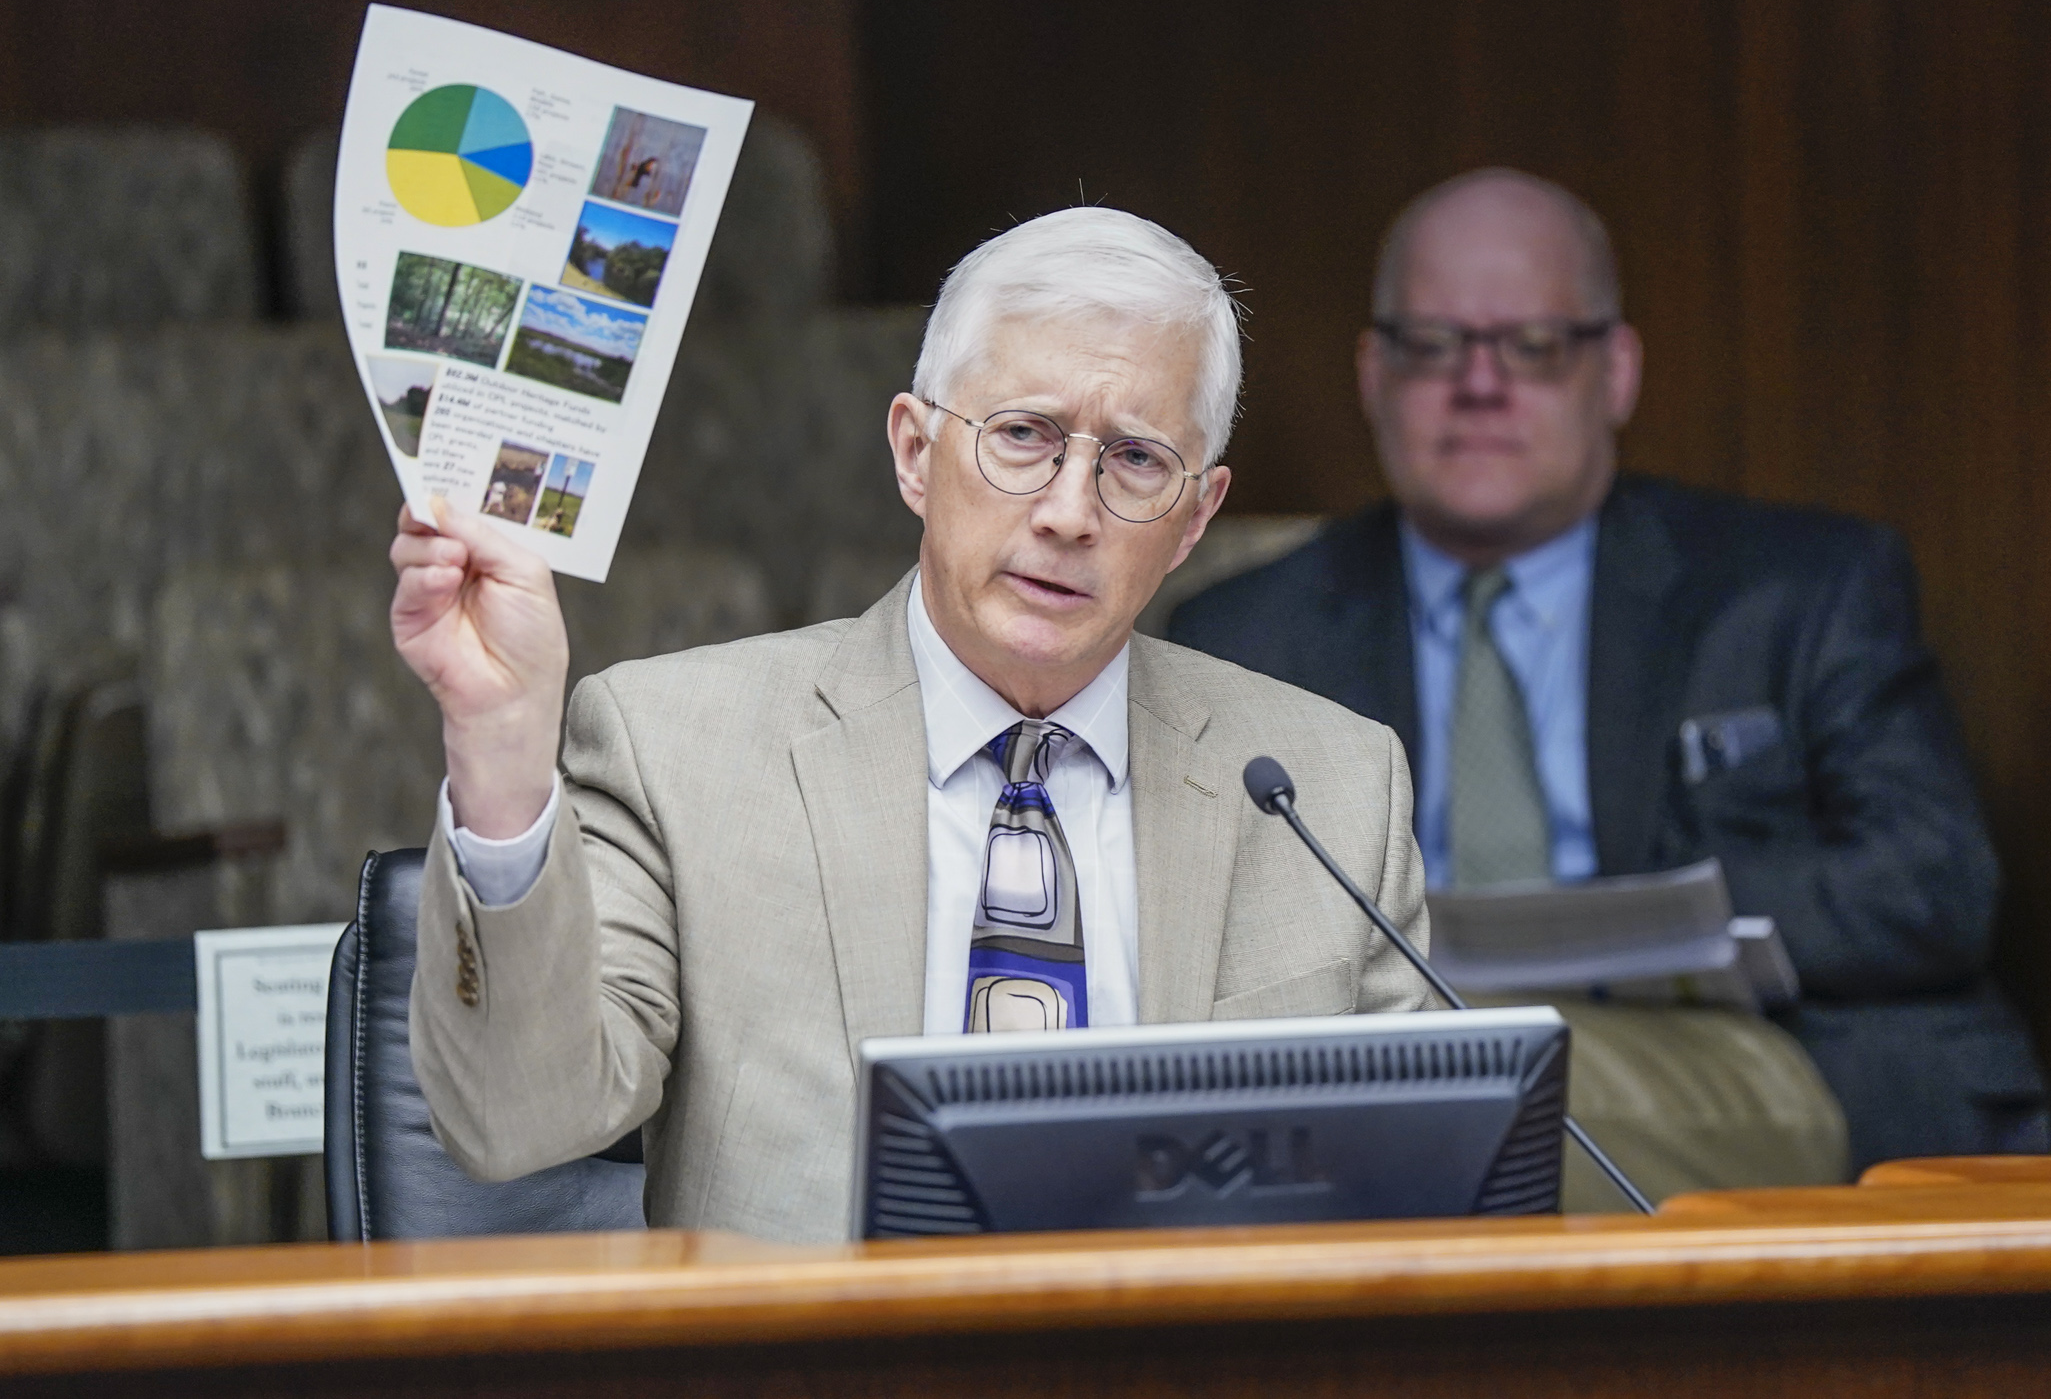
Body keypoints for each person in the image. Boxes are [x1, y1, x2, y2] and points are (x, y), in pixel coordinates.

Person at [391, 208, 1434, 1243]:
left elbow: (1421, 1205)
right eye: (1023, 435)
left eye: (1134, 461)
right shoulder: (677, 747)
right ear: (914, 452)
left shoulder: (1329, 787)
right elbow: (514, 1123)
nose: (1070, 511)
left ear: (1195, 519)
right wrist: (501, 748)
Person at [1170, 169, 2051, 1174]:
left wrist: (1656, 926)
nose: (1481, 383)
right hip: (1388, 1039)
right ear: (1373, 375)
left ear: (1618, 371)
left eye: (1534, 347)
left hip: (1766, 1050)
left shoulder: (1797, 588)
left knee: (1449, 1088)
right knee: (1393, 1075)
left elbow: (1935, 884)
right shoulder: (1246, 629)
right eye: (1432, 346)